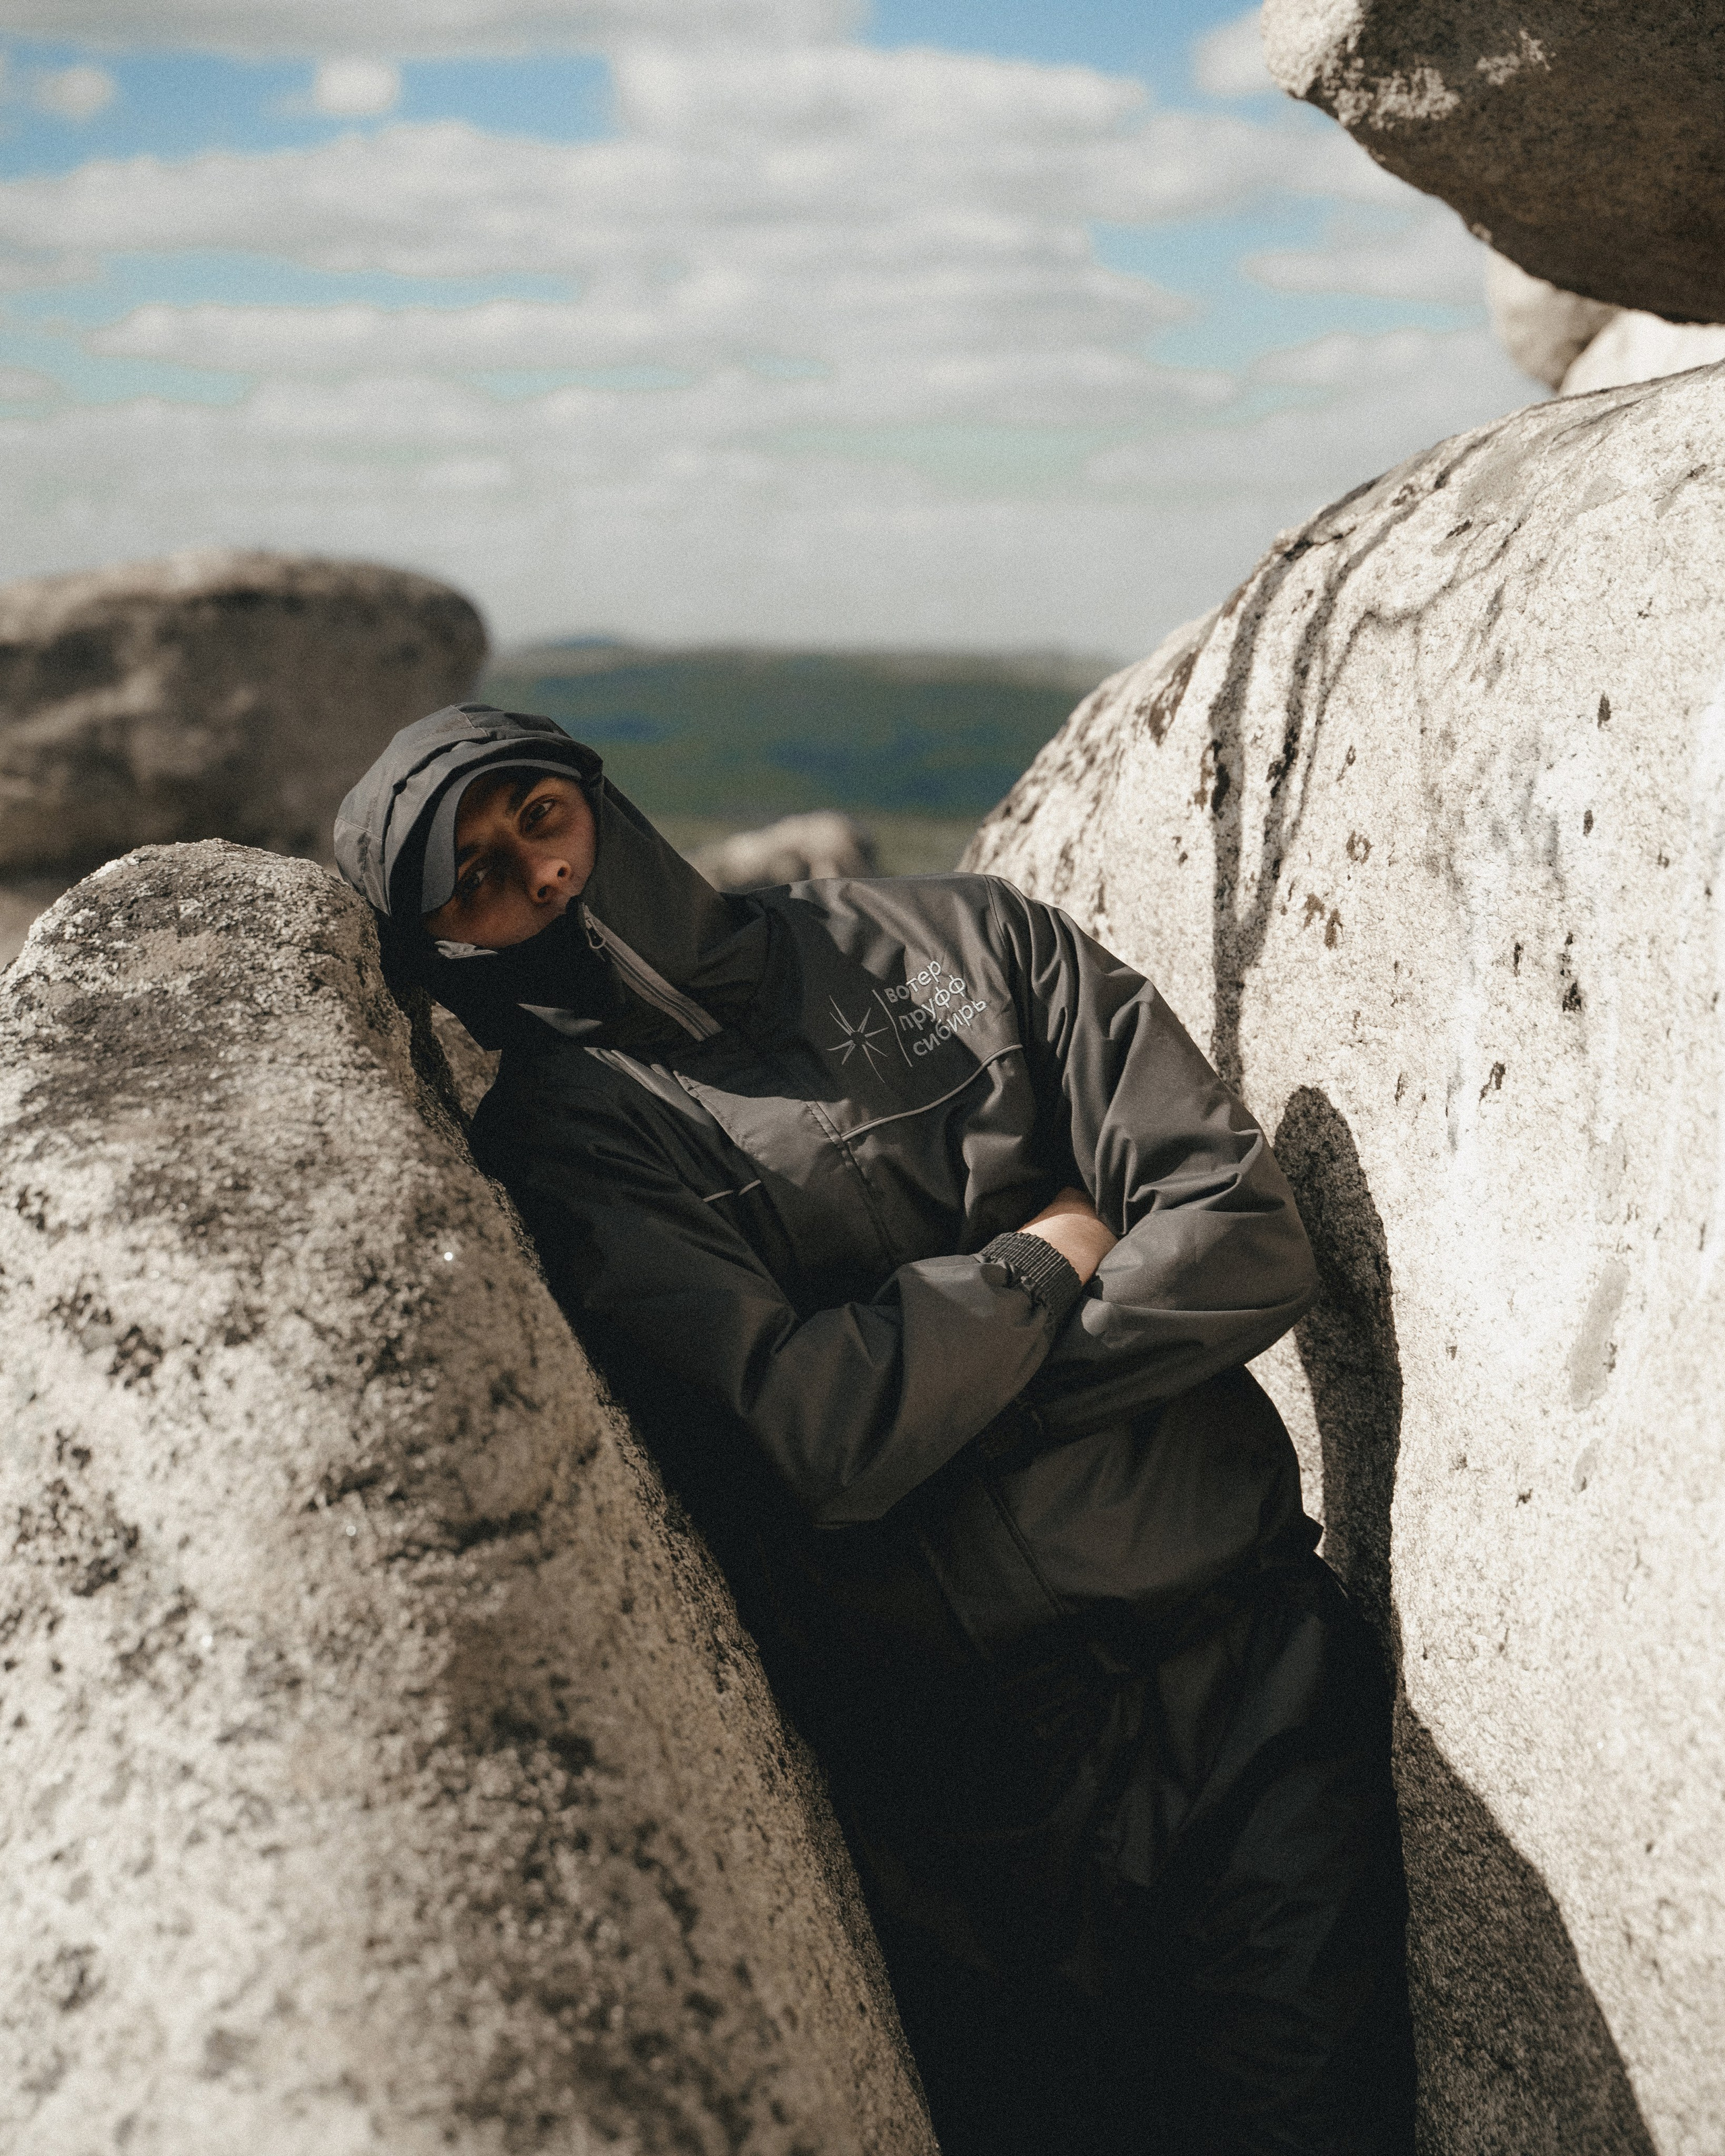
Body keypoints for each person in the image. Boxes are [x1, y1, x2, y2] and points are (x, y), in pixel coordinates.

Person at [335, 703, 1416, 2156]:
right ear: (444, 953)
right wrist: (1043, 1257)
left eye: (536, 815)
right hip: (967, 1800)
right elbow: (812, 1437)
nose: (535, 877)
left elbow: (1240, 1231)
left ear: (591, 791)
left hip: (1248, 1682)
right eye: (470, 878)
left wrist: (937, 1408)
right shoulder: (568, 1144)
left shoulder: (962, 943)